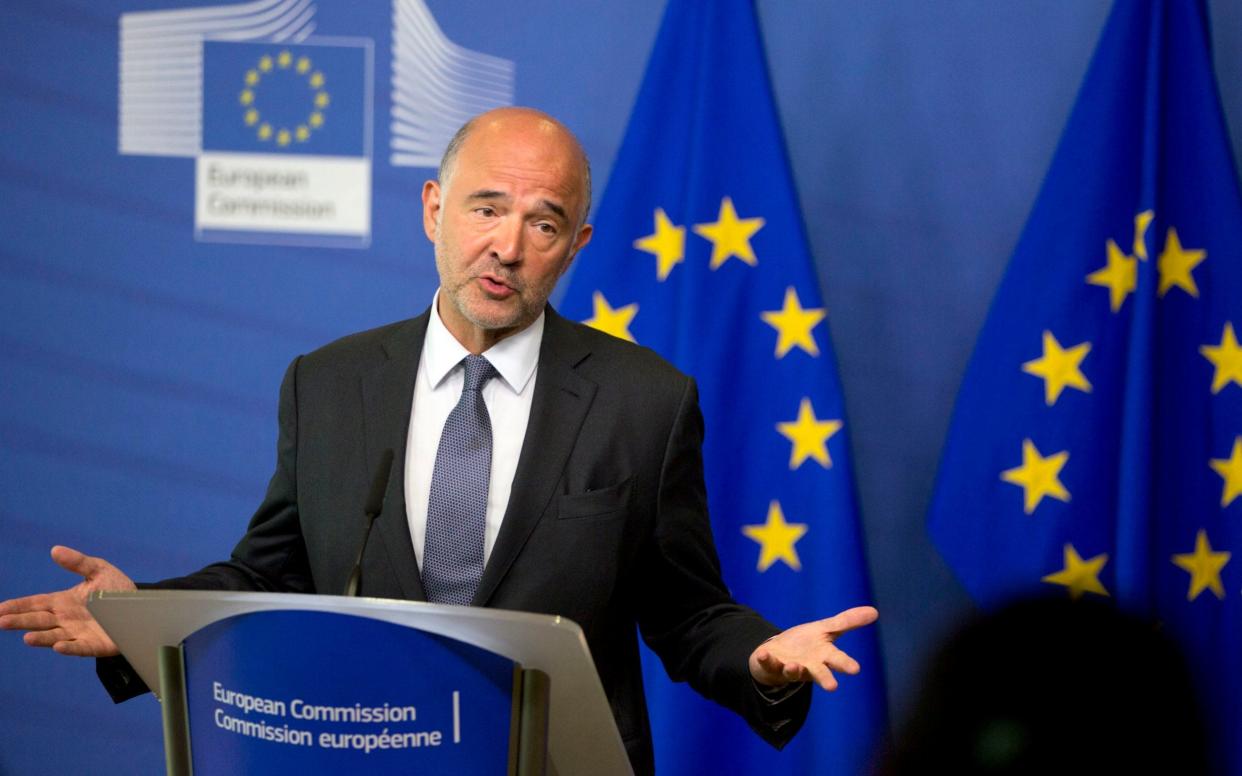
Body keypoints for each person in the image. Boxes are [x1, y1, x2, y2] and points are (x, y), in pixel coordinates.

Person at [0, 107, 878, 774]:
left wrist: (764, 660)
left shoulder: (644, 401)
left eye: (542, 222)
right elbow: (274, 574)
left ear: (575, 246)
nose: (505, 246)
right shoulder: (329, 382)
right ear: (433, 209)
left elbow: (688, 612)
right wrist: (138, 616)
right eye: (485, 208)